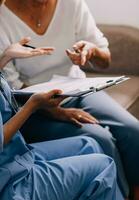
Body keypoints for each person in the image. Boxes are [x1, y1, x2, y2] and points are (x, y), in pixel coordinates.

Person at [0, 0, 139, 199]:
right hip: (36, 104)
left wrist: (90, 51)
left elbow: (105, 59)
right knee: (101, 139)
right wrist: (54, 110)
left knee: (133, 130)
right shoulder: (3, 16)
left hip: (76, 88)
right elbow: (12, 91)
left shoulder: (71, 3)